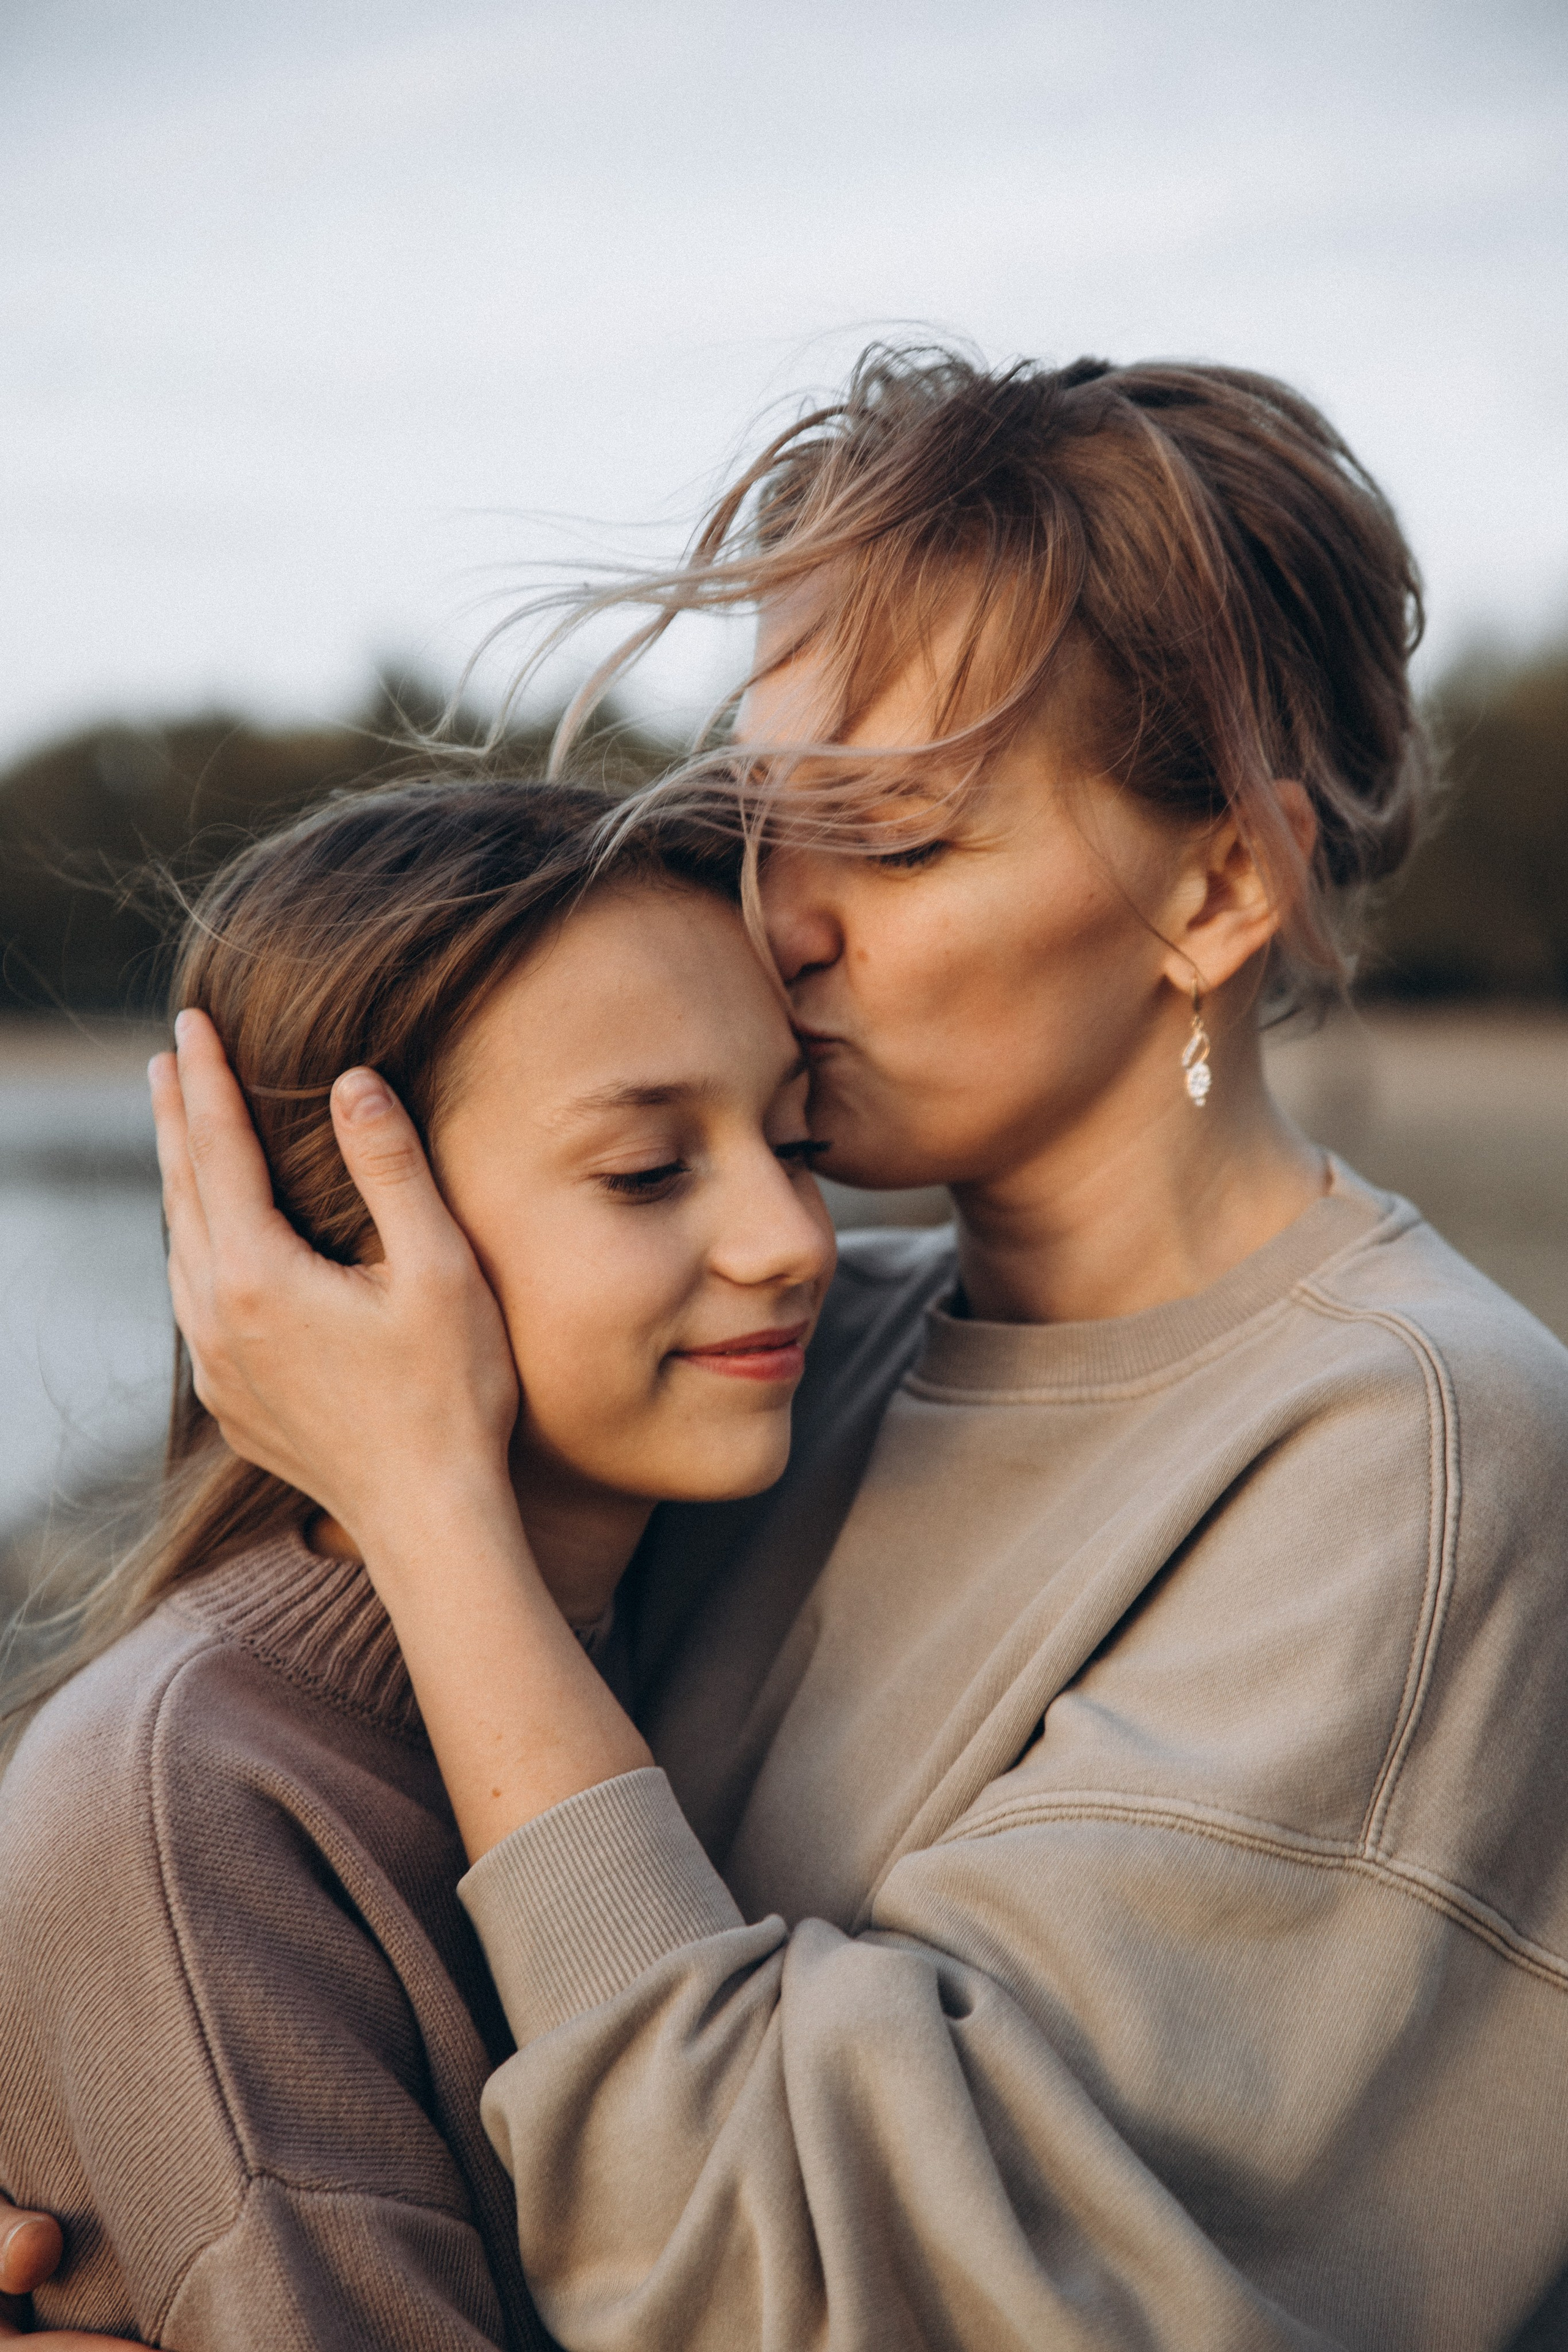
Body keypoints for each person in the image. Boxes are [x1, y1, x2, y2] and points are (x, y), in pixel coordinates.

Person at [6, 345, 1568, 2350]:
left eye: (896, 842)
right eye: (763, 823)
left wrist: (426, 1511)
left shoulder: (1420, 1467)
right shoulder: (795, 1361)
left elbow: (811, 2291)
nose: (782, 921)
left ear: (1221, 886)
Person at [0, 777, 834, 2346]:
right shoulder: (195, 1805)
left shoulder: (715, 1589)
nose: (790, 1236)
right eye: (648, 1171)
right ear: (333, 1240)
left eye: (801, 1137)